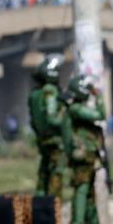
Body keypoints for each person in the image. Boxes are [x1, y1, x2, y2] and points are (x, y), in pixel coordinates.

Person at [66, 75, 106, 224]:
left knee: (89, 192)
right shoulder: (76, 108)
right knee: (82, 189)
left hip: (89, 154)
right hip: (82, 156)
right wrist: (99, 97)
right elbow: (100, 114)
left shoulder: (77, 107)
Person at [27, 55, 69, 199]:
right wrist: (65, 117)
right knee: (56, 175)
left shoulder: (34, 94)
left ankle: (39, 209)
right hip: (55, 140)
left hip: (42, 139)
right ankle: (53, 211)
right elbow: (52, 118)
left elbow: (33, 121)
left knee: (43, 175)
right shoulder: (50, 90)